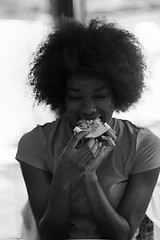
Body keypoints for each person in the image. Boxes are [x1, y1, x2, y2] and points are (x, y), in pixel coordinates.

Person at [16, 17, 160, 240]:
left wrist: (89, 176)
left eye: (100, 96)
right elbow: (51, 236)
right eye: (75, 97)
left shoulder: (145, 145)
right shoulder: (35, 144)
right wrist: (63, 177)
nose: (88, 108)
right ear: (61, 98)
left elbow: (122, 235)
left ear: (118, 97)